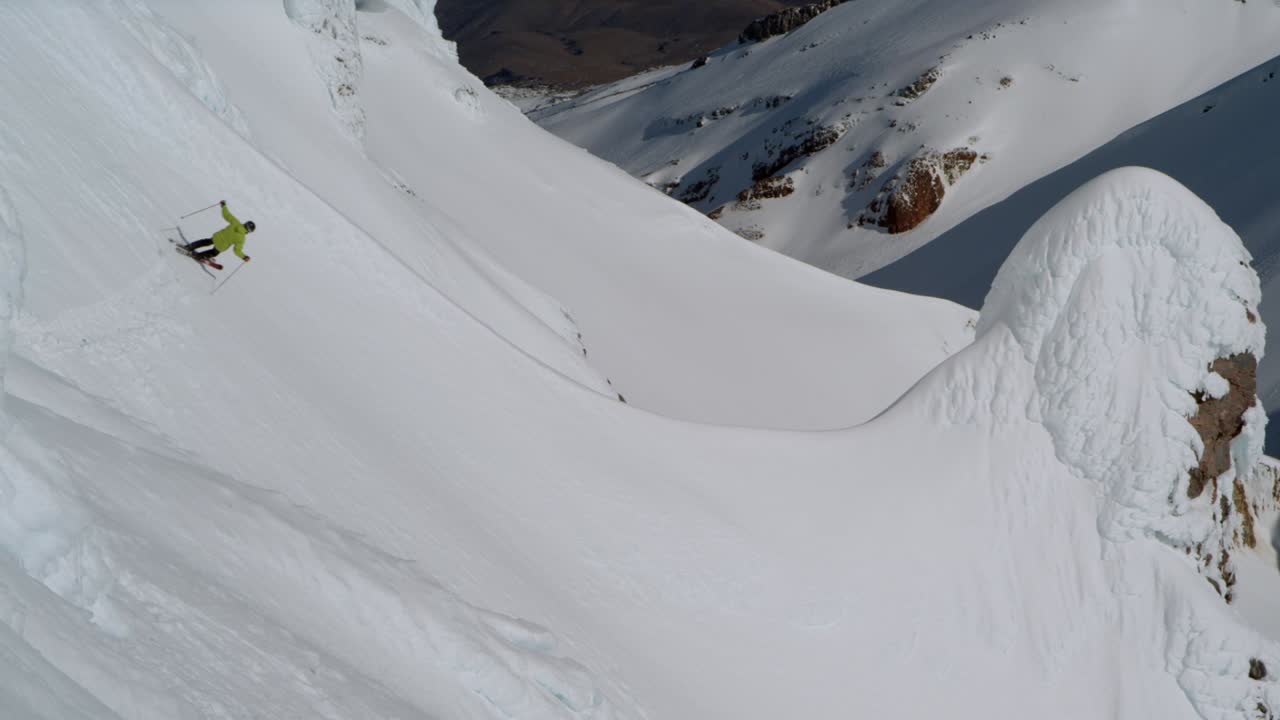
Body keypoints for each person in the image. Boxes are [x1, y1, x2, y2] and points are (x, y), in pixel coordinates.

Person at [184, 200, 255, 263]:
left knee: (206, 242)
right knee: (214, 252)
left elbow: (227, 215)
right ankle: (198, 256)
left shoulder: (236, 222)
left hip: (217, 237)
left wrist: (224, 206)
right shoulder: (241, 239)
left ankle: (190, 247)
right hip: (221, 246)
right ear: (249, 231)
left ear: (245, 223)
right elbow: (237, 250)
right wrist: (244, 257)